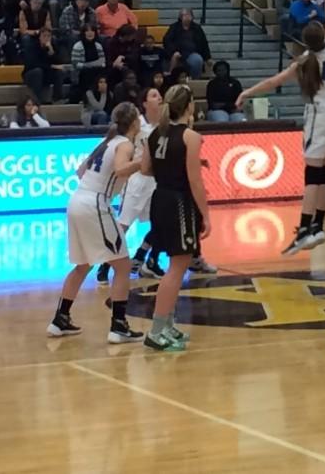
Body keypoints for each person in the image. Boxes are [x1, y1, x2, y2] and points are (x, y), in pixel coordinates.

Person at [236, 0, 325, 255]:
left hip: (323, 113)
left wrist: (247, 92)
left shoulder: (305, 62)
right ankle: (318, 226)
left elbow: (274, 82)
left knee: (312, 175)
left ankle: (303, 228)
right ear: (322, 34)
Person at [46, 102, 145, 343]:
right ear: (133, 122)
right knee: (122, 266)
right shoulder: (124, 144)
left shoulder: (107, 142)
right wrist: (141, 164)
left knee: (83, 265)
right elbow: (121, 170)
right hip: (95, 205)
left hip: (77, 200)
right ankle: (119, 326)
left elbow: (81, 171)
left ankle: (60, 319)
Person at [140, 84, 212, 351]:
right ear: (190, 105)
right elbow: (195, 181)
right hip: (180, 201)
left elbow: (146, 169)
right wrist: (207, 214)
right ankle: (157, 330)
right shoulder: (191, 136)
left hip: (160, 198)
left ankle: (167, 326)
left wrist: (168, 167)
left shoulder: (154, 134)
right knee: (177, 268)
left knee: (174, 266)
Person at [118, 87, 165, 280]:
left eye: (160, 95)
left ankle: (144, 259)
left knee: (161, 225)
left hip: (156, 181)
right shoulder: (139, 126)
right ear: (145, 104)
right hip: (137, 180)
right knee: (124, 225)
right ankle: (104, 266)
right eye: (154, 95)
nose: (160, 97)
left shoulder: (165, 125)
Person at [163, 8, 212, 80]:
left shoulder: (197, 28)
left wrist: (207, 57)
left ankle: (194, 79)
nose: (187, 17)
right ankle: (171, 76)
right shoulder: (174, 27)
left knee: (198, 60)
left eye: (189, 15)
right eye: (184, 15)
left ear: (192, 16)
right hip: (178, 52)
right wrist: (173, 50)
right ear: (180, 17)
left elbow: (204, 43)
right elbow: (167, 40)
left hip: (192, 53)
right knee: (175, 55)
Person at [22, 27, 65, 104]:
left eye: (48, 36)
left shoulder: (52, 46)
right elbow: (33, 64)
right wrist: (51, 66)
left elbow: (59, 62)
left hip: (46, 74)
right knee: (38, 71)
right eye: (44, 36)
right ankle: (36, 100)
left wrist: (51, 51)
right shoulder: (32, 46)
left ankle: (57, 98)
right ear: (39, 37)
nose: (46, 38)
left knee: (59, 71)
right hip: (31, 75)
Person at [70, 22, 105, 97]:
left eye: (92, 31)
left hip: (96, 72)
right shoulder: (77, 46)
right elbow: (76, 65)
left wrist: (88, 65)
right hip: (81, 74)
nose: (90, 33)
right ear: (83, 33)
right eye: (87, 31)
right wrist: (93, 64)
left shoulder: (98, 46)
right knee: (88, 73)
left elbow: (102, 63)